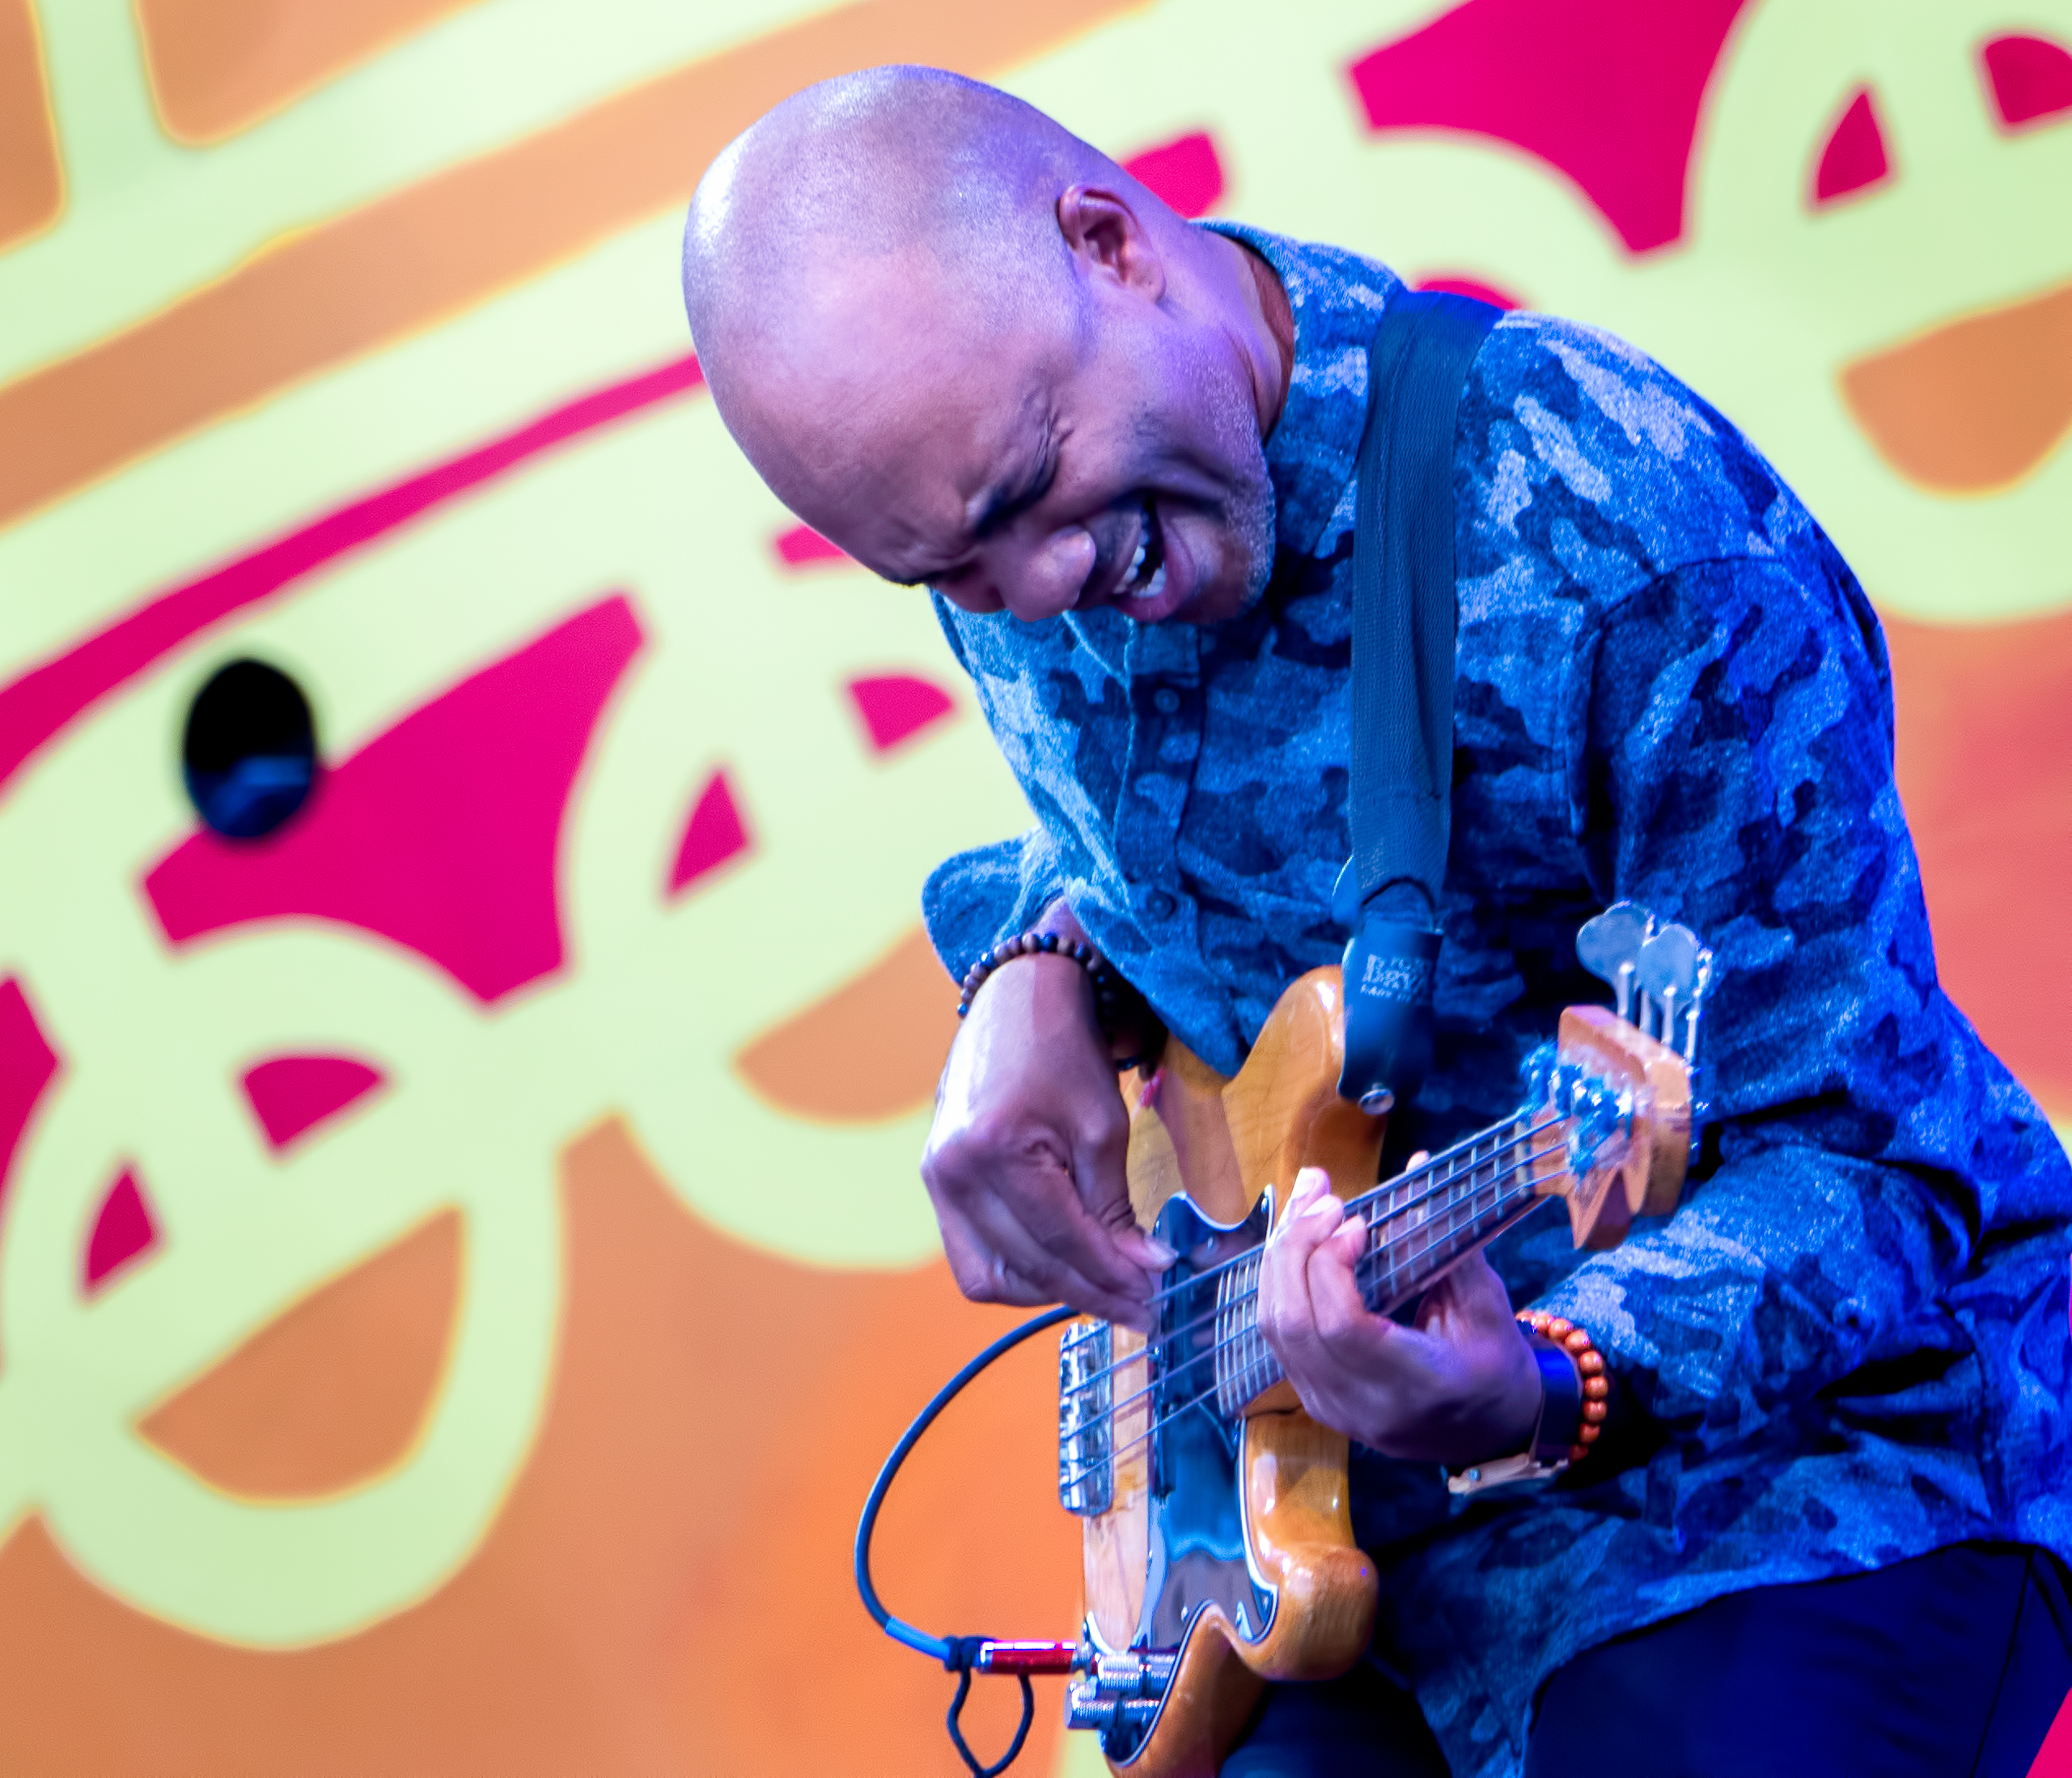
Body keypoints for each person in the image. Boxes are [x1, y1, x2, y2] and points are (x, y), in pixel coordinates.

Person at [680, 66, 2072, 1778]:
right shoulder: (1024, 518)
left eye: (1032, 489)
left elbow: (1874, 1160)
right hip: (1329, 1526)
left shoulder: (1621, 541)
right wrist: (1034, 976)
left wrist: (1549, 1378)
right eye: (952, 572)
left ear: (1110, 244)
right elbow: (1149, 869)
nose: (1036, 588)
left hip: (1799, 1473)